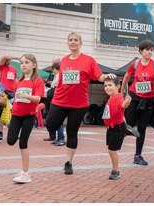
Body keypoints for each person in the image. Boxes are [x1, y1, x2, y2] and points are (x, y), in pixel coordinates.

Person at [46, 32, 116, 175]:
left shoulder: (88, 60)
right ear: (67, 42)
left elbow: (99, 76)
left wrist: (107, 77)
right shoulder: (64, 60)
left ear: (80, 43)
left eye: (75, 40)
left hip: (78, 104)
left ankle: (68, 162)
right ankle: (59, 136)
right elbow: (61, 80)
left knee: (72, 132)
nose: (73, 42)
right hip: (60, 100)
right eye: (70, 40)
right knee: (50, 124)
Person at [120, 39, 154, 166]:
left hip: (148, 99)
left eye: (151, 50)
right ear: (141, 51)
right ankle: (121, 137)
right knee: (128, 123)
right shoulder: (135, 64)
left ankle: (138, 156)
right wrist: (123, 93)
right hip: (134, 96)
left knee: (142, 128)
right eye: (147, 50)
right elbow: (126, 78)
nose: (149, 52)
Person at [7, 54, 45, 183]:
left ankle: (25, 173)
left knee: (23, 143)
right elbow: (16, 96)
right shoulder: (19, 81)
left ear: (33, 65)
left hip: (28, 116)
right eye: (22, 63)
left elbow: (38, 98)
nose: (23, 65)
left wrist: (25, 96)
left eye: (27, 62)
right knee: (11, 141)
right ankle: (24, 172)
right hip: (16, 115)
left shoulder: (38, 80)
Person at [102, 77, 131, 180]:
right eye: (105, 85)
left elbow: (123, 105)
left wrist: (127, 101)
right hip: (111, 127)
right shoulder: (110, 97)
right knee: (111, 150)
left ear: (118, 87)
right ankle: (127, 128)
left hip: (117, 128)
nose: (107, 87)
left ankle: (116, 171)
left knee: (112, 150)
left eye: (110, 85)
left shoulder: (119, 97)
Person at [43, 61, 65, 146]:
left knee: (57, 120)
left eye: (53, 69)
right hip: (53, 100)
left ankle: (61, 138)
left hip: (56, 100)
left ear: (56, 68)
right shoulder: (56, 76)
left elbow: (57, 87)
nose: (53, 71)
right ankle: (55, 137)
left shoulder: (60, 75)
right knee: (51, 119)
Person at [0, 55, 19, 140]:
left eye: (9, 60)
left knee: (12, 113)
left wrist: (17, 91)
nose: (8, 60)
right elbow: (3, 57)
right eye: (7, 59)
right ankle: (0, 132)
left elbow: (15, 80)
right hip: (3, 92)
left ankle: (12, 132)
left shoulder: (14, 69)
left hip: (12, 93)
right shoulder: (1, 67)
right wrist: (16, 57)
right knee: (2, 113)